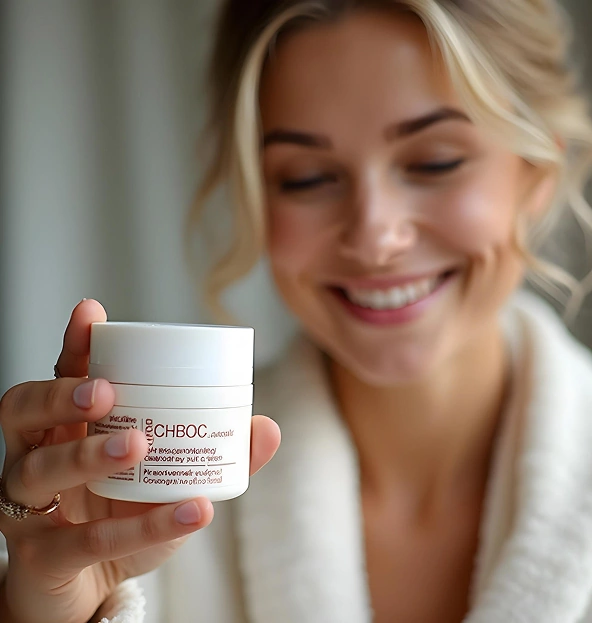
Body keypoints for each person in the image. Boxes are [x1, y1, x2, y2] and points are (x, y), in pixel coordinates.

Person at [2, 0, 592, 621]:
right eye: (308, 177)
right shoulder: (149, 496)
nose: (374, 237)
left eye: (434, 162)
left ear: (538, 170)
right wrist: (51, 612)